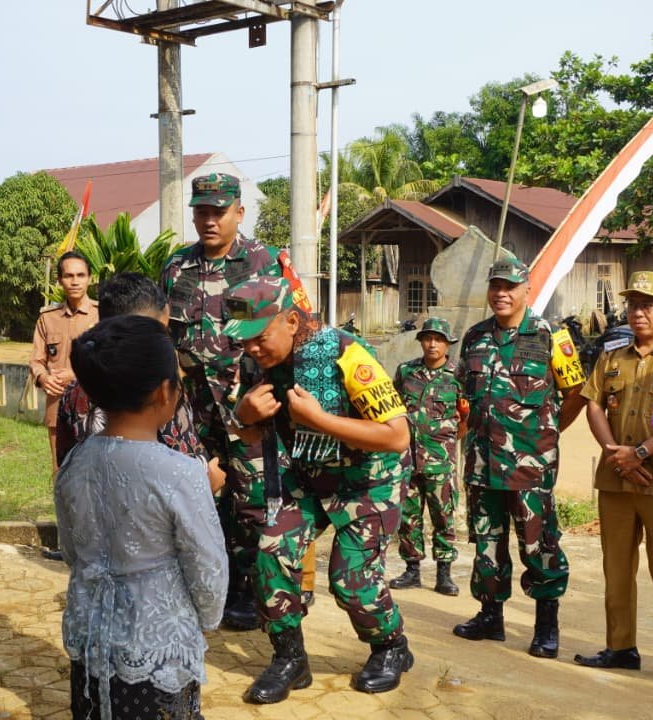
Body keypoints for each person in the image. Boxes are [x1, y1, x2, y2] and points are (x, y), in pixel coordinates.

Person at [227, 277, 413, 701]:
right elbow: (249, 433)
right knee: (270, 555)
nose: (252, 348)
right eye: (244, 340)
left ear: (291, 321)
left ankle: (391, 647)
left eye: (259, 337)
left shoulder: (347, 355)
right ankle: (290, 660)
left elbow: (397, 436)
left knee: (351, 579)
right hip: (309, 475)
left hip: (368, 478)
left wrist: (320, 420)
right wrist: (243, 415)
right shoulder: (257, 365)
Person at [55, 314, 228, 720]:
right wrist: (207, 618)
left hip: (91, 637)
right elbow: (207, 567)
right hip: (156, 645)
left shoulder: (75, 462)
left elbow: (71, 550)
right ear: (164, 391)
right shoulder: (180, 472)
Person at [161, 173, 289, 631]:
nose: (210, 220)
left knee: (253, 499)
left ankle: (256, 590)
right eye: (202, 211)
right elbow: (164, 336)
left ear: (239, 211)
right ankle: (220, 583)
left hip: (250, 406)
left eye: (219, 211)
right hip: (196, 409)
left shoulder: (265, 262)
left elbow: (290, 330)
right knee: (204, 497)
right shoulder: (176, 267)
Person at [572, 271, 653, 686]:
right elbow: (593, 404)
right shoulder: (612, 355)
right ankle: (620, 646)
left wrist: (641, 453)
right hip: (616, 479)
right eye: (632, 304)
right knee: (616, 568)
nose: (638, 312)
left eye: (647, 304)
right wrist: (615, 452)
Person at [453, 254, 586, 659]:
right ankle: (490, 616)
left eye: (510, 287)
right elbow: (463, 394)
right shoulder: (474, 337)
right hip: (481, 463)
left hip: (530, 466)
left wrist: (546, 435)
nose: (501, 294)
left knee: (538, 543)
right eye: (495, 286)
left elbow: (576, 393)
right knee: (487, 542)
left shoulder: (551, 336)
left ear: (527, 290)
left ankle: (546, 625)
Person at [54, 272, 224, 486]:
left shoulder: (74, 390)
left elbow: (66, 462)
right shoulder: (157, 388)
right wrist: (211, 480)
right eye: (161, 332)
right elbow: (188, 471)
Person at [388, 317, 466, 596]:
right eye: (428, 338)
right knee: (408, 517)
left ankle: (444, 574)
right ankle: (412, 570)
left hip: (440, 460)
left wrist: (447, 442)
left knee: (443, 516)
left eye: (439, 339)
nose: (433, 344)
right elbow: (394, 410)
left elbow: (466, 417)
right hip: (407, 458)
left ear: (447, 344)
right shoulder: (406, 371)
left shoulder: (458, 374)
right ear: (421, 341)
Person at [30, 251, 96, 469]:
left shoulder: (103, 315)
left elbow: (113, 362)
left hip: (94, 410)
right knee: (60, 472)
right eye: (68, 276)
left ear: (90, 278)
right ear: (59, 280)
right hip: (57, 408)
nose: (75, 281)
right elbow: (37, 361)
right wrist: (43, 378)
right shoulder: (47, 318)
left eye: (80, 275)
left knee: (93, 473)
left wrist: (76, 376)